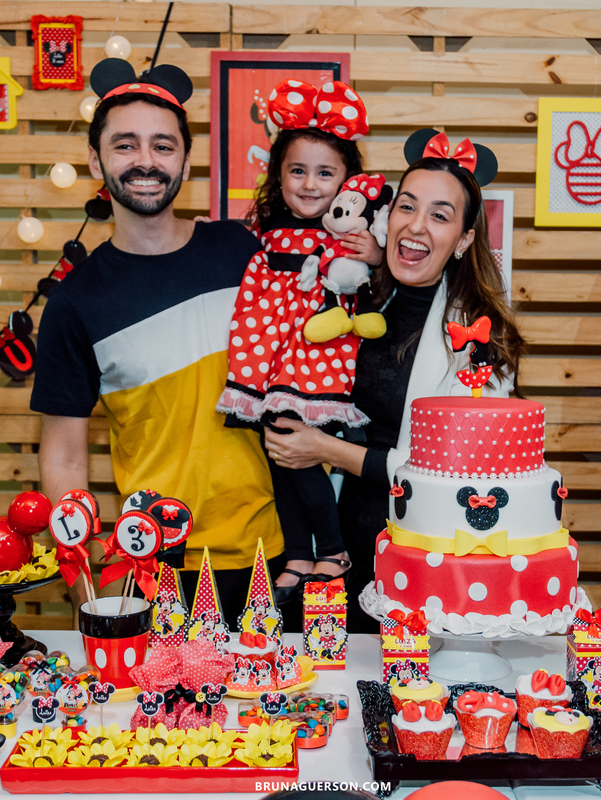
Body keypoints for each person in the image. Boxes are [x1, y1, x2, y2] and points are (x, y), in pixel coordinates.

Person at [31, 61, 282, 626]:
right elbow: (65, 455)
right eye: (126, 144)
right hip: (150, 562)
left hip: (271, 549)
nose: (146, 161)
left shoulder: (242, 253)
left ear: (185, 161)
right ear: (96, 161)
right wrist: (88, 584)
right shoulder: (76, 302)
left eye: (163, 145)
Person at [264, 130, 525, 631]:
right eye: (407, 206)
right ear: (387, 216)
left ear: (465, 239)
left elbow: (456, 475)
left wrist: (324, 449)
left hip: (418, 562)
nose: (416, 226)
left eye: (440, 216)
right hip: (330, 549)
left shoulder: (477, 336)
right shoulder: (355, 294)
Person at [215, 79, 383, 605]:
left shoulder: (348, 235)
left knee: (298, 451)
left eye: (325, 173)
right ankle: (298, 553)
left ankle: (331, 550)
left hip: (320, 358)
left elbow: (373, 286)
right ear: (278, 175)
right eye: (297, 171)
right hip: (272, 357)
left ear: (348, 181)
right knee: (277, 453)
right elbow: (257, 296)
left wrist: (374, 257)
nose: (310, 184)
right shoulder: (268, 233)